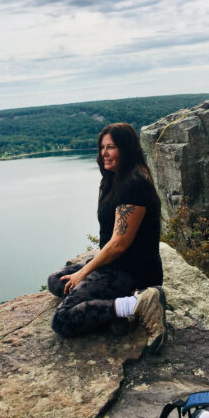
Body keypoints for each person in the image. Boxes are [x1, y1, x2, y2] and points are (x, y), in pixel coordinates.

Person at [47, 123, 166, 353]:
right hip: (115, 266)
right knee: (56, 282)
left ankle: (139, 303)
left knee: (62, 320)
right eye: (102, 147)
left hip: (133, 271)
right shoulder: (113, 179)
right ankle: (115, 314)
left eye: (111, 147)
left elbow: (119, 243)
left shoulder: (134, 184)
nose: (104, 153)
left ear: (126, 149)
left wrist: (84, 272)